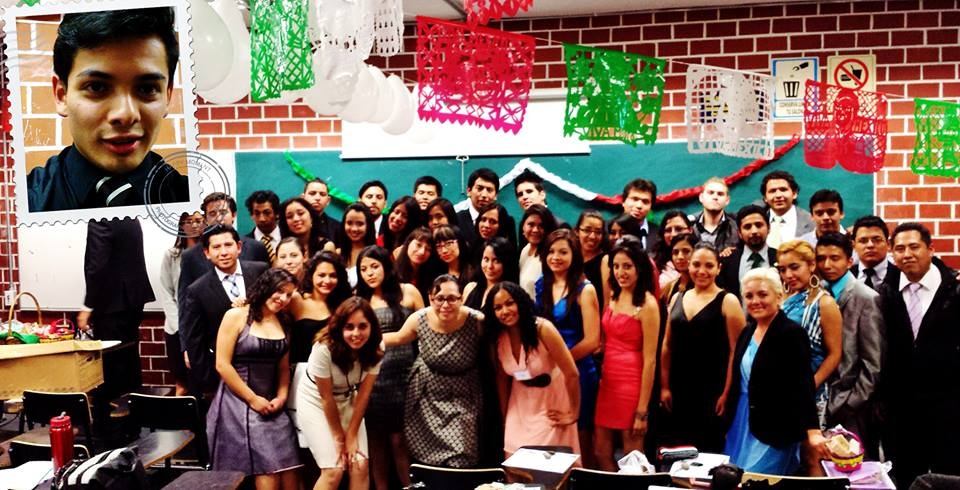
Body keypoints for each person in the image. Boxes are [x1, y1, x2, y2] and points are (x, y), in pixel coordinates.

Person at [27, 8, 188, 212]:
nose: (125, 114)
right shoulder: (24, 202)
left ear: (168, 95)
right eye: (97, 87)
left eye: (147, 89)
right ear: (61, 95)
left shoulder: (192, 200)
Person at [723, 267, 829, 475]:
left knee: (757, 479)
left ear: (779, 297)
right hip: (740, 423)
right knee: (735, 479)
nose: (755, 301)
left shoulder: (792, 333)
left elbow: (803, 384)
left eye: (763, 294)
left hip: (775, 427)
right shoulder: (747, 331)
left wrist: (813, 431)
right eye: (749, 296)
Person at [877, 222, 960, 486]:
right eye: (899, 249)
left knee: (947, 474)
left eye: (914, 247)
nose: (907, 254)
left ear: (931, 249)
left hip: (948, 404)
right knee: (905, 475)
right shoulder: (885, 292)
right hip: (900, 407)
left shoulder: (954, 289)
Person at [207, 268, 301, 488]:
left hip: (272, 403)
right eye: (279, 291)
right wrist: (252, 399)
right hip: (238, 400)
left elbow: (283, 369)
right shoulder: (236, 315)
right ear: (266, 287)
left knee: (290, 469)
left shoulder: (284, 321)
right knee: (268, 468)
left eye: (289, 294)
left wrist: (281, 397)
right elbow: (222, 364)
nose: (283, 298)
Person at [384, 275, 486, 468]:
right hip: (427, 394)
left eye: (452, 298)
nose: (445, 305)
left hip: (463, 393)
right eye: (439, 298)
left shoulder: (476, 320)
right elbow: (397, 338)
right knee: (424, 454)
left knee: (462, 451)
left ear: (461, 299)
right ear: (430, 298)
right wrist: (364, 340)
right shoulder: (419, 319)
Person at [659, 243, 746, 453]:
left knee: (708, 450)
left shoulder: (728, 301)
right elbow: (667, 345)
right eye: (696, 265)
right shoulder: (678, 297)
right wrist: (665, 387)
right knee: (677, 450)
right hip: (679, 387)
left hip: (712, 389)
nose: (702, 271)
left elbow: (736, 352)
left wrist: (727, 393)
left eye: (709, 266)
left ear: (719, 268)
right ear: (689, 266)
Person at [484, 282, 580, 458]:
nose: (505, 311)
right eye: (498, 308)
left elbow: (572, 372)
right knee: (513, 461)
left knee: (547, 465)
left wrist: (574, 412)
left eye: (509, 303)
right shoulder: (498, 337)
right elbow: (502, 379)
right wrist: (505, 416)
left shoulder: (543, 329)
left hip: (550, 401)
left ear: (520, 302)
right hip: (519, 404)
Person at [354, 246, 423, 490]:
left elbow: (425, 328)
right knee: (376, 442)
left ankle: (409, 487)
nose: (369, 273)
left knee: (400, 441)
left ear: (386, 266)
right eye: (363, 269)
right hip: (372, 380)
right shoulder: (359, 300)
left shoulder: (408, 291)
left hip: (406, 377)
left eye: (374, 266)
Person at [297, 297, 384, 490]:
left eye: (363, 326)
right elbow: (326, 397)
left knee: (359, 464)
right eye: (349, 327)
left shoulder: (377, 348)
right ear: (339, 328)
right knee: (334, 469)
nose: (356, 333)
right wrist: (339, 438)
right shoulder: (323, 348)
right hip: (315, 401)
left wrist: (351, 436)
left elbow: (364, 395)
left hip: (348, 398)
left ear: (372, 326)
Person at [79, 217, 156, 433]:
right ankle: (133, 425)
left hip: (111, 304)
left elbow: (97, 266)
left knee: (109, 368)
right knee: (129, 361)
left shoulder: (100, 220)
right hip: (131, 300)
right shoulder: (129, 216)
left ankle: (111, 432)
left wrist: (88, 305)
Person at [814, 232, 883, 460]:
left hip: (851, 405)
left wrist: (851, 403)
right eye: (821, 258)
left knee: (853, 468)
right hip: (818, 401)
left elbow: (873, 363)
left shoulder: (866, 298)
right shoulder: (814, 294)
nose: (827, 265)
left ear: (849, 261)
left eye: (834, 258)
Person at [535, 229, 601, 467]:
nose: (556, 257)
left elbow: (592, 340)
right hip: (548, 370)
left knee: (580, 435)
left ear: (574, 255)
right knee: (553, 431)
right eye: (551, 252)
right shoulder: (541, 284)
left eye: (563, 252)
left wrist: (562, 360)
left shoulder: (585, 289)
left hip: (579, 370)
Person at [594, 240, 660, 470]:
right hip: (607, 382)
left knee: (633, 458)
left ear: (639, 268)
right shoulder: (614, 294)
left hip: (632, 386)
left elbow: (650, 360)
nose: (620, 272)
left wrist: (642, 412)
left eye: (627, 266)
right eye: (616, 266)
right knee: (600, 451)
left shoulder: (648, 304)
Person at [180, 224, 269, 396]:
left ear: (239, 247)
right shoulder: (197, 290)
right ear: (207, 253)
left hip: (263, 366)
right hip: (224, 373)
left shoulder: (261, 271)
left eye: (228, 245)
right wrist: (209, 381)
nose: (223, 252)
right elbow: (195, 341)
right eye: (216, 247)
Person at [286, 252, 353, 451]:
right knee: (306, 442)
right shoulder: (296, 300)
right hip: (301, 377)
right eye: (321, 275)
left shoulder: (343, 305)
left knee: (335, 440)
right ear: (311, 275)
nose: (327, 280)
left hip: (336, 377)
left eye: (332, 276)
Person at [777, 240, 843, 427]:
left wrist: (810, 385)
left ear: (811, 265)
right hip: (779, 389)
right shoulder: (782, 299)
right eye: (782, 270)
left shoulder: (825, 303)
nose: (788, 275)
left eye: (794, 267)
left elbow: (834, 354)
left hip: (810, 391)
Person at [178, 192, 269, 312]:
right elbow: (185, 301)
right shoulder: (190, 256)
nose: (218, 218)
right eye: (212, 213)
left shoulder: (256, 247)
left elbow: (267, 290)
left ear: (234, 215)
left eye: (223, 212)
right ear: (206, 219)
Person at [159, 211, 204, 396]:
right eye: (188, 221)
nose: (194, 225)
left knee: (199, 383)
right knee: (181, 384)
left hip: (200, 327)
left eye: (198, 220)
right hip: (175, 328)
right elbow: (166, 291)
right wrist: (179, 325)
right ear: (181, 226)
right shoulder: (172, 255)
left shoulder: (209, 253)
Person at [717, 204, 776, 299]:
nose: (754, 231)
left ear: (769, 228)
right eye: (747, 227)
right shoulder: (726, 261)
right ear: (739, 233)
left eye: (759, 225)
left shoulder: (780, 258)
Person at [457, 168, 517, 246]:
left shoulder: (506, 221)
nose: (484, 195)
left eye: (489, 190)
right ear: (469, 191)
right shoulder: (456, 219)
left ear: (496, 195)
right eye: (479, 188)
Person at [761, 170, 814, 249]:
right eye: (772, 191)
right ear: (765, 198)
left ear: (794, 194)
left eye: (783, 190)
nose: (778, 195)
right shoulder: (756, 221)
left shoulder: (811, 221)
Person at [463, 237, 519, 310]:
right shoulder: (472, 288)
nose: (490, 266)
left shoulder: (510, 295)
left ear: (506, 263)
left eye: (496, 261)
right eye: (486, 259)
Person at [690, 177, 739, 254]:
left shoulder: (737, 225)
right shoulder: (689, 225)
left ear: (727, 200)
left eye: (720, 194)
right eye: (710, 193)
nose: (715, 197)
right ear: (701, 197)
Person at [520, 205, 560, 299]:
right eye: (531, 224)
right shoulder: (525, 249)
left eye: (541, 226)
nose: (535, 230)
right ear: (523, 226)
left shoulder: (551, 257)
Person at [337, 203, 377, 288]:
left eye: (360, 224)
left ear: (368, 225)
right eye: (349, 223)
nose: (354, 229)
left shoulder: (376, 255)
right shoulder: (337, 254)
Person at [851, 215, 895, 291]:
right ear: (854, 246)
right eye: (863, 241)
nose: (870, 245)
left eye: (877, 240)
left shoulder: (902, 276)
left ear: (888, 244)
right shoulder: (846, 277)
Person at [573, 210, 606, 312]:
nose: (592, 236)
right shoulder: (570, 255)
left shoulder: (605, 260)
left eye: (598, 232)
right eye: (587, 230)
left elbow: (607, 303)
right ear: (577, 231)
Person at [653, 210, 693, 290]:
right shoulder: (654, 263)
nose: (673, 234)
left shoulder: (701, 256)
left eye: (679, 229)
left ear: (690, 230)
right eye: (668, 230)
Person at [395, 227, 436, 299]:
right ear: (408, 243)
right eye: (418, 245)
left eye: (428, 249)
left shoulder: (431, 277)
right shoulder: (392, 272)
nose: (422, 252)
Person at [620, 178, 659, 252]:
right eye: (635, 199)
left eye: (645, 201)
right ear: (623, 201)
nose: (639, 206)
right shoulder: (604, 231)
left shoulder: (659, 234)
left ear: (651, 207)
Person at [660, 233, 698, 304]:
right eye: (675, 252)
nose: (680, 257)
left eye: (686, 251)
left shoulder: (704, 285)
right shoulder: (669, 287)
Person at [246, 190, 282, 263]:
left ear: (277, 213)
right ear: (251, 215)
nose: (262, 219)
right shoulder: (244, 245)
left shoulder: (290, 237)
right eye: (257, 213)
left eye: (267, 213)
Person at [302, 178, 341, 244]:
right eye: (312, 193)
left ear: (328, 201)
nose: (317, 198)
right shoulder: (293, 223)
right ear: (302, 198)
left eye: (322, 194)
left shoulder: (338, 228)